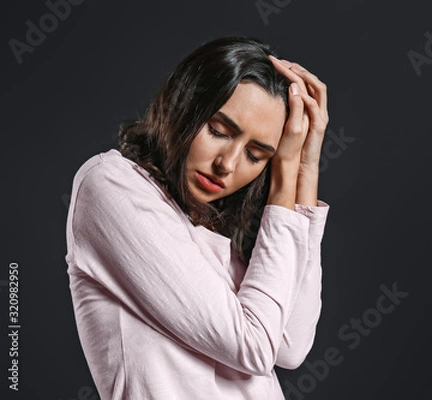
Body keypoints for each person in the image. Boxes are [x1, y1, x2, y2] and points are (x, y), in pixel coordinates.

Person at [64, 36, 330, 399]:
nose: (228, 164)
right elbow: (254, 345)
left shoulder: (214, 226)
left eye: (256, 155)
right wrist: (284, 173)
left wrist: (305, 165)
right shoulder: (110, 185)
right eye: (219, 131)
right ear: (184, 104)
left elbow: (289, 344)